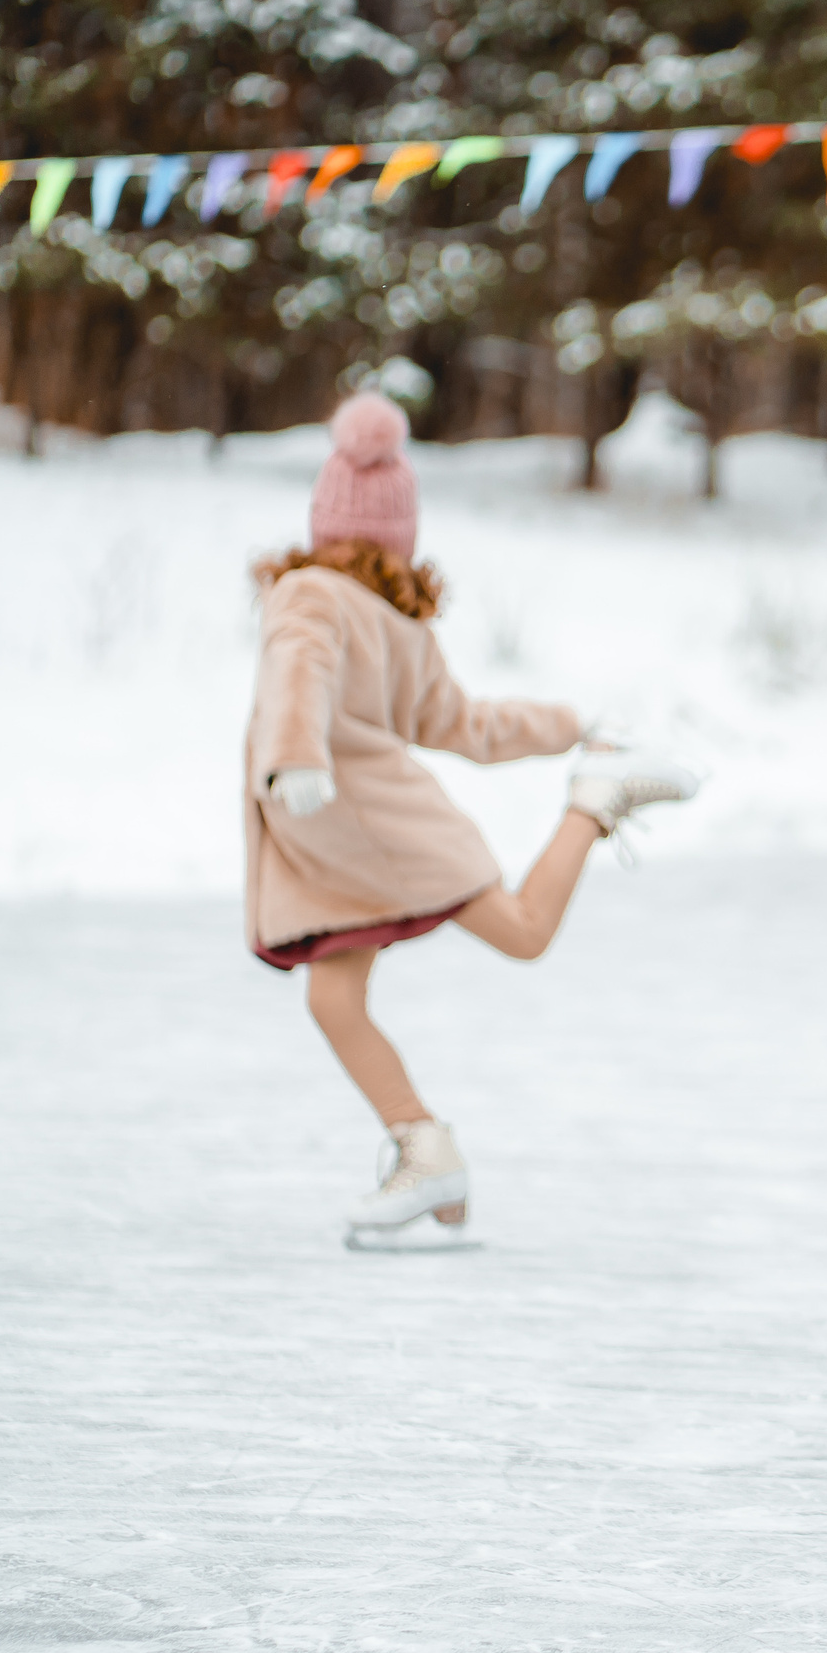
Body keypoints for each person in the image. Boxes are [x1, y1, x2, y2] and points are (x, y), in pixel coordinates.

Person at [244, 392, 696, 1246]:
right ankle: (429, 1158)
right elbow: (465, 725)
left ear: (325, 519)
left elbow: (299, 674)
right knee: (335, 998)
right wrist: (570, 720)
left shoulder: (305, 596)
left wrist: (298, 755)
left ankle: (594, 799)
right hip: (355, 840)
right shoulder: (390, 618)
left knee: (515, 934)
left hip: (370, 832)